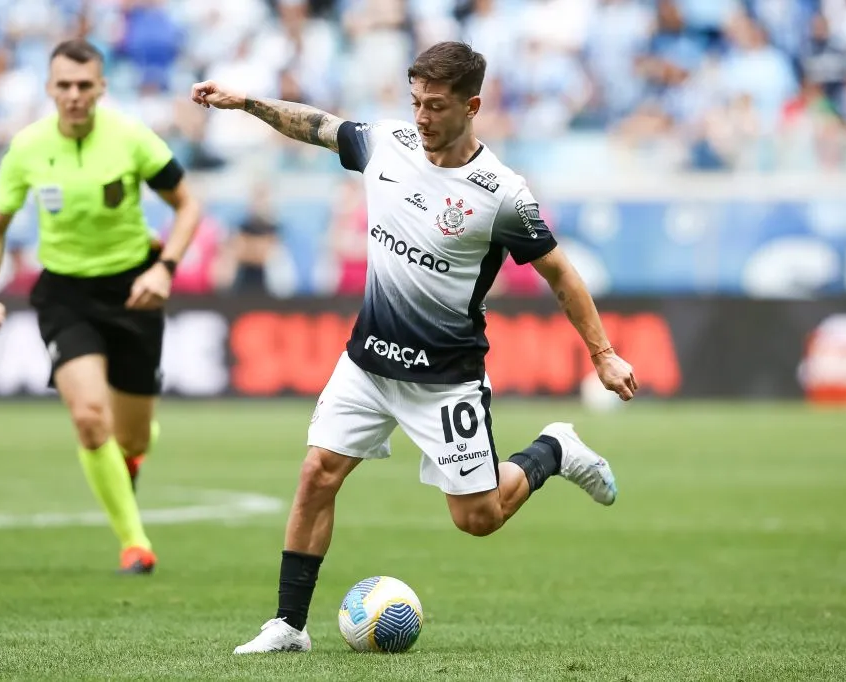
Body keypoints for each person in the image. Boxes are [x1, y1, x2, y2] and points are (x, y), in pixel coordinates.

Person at [191, 41, 638, 653]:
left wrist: (603, 354)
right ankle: (288, 626)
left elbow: (560, 275)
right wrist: (247, 104)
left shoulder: (502, 193)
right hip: (368, 362)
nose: (421, 117)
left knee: (477, 519)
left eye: (435, 105)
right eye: (415, 102)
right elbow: (317, 125)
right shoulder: (388, 144)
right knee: (317, 473)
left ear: (471, 105)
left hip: (446, 378)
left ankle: (554, 449)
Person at [0, 38, 201, 575]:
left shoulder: (132, 139)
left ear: (101, 86)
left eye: (84, 85)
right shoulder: (27, 148)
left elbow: (188, 206)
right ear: (50, 89)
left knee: (134, 436)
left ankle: (131, 457)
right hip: (65, 295)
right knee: (89, 418)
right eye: (64, 86)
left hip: (133, 288)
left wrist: (163, 268)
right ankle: (134, 543)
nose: (74, 95)